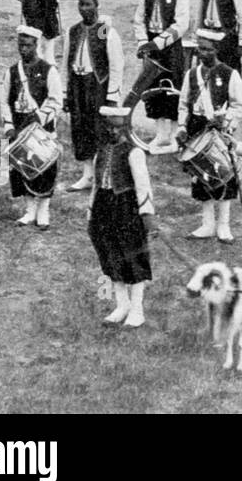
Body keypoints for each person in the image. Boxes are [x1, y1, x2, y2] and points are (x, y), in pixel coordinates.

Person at [177, 29, 242, 242]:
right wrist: (182, 127)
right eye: (200, 48)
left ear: (217, 50)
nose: (203, 53)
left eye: (208, 49)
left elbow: (239, 106)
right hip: (196, 129)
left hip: (219, 131)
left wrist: (226, 119)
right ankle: (207, 224)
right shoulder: (191, 75)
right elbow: (183, 104)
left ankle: (224, 225)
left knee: (224, 176)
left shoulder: (230, 74)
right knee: (201, 177)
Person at [90, 106, 156, 327]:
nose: (112, 132)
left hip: (127, 207)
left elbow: (143, 184)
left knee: (133, 256)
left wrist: (146, 213)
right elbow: (94, 185)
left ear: (125, 128)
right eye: (109, 126)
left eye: (117, 127)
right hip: (103, 205)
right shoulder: (100, 152)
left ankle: (137, 310)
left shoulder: (134, 152)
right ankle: (122, 304)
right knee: (110, 255)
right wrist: (91, 211)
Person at [1, 25, 64, 229]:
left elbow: (56, 100)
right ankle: (29, 211)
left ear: (36, 45)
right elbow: (4, 101)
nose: (23, 49)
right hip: (19, 128)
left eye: (28, 45)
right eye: (21, 45)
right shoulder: (12, 71)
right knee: (21, 169)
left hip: (41, 129)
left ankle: (43, 211)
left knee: (44, 170)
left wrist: (38, 117)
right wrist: (9, 125)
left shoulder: (48, 70)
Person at [63, 0, 123, 192]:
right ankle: (87, 175)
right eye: (81, 4)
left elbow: (116, 63)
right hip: (77, 84)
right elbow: (65, 62)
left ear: (97, 5)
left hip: (97, 84)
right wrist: (65, 92)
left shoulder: (103, 29)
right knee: (80, 127)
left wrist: (112, 94)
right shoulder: (74, 30)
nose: (84, 8)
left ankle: (101, 175)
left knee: (99, 128)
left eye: (88, 4)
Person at [132, 0, 189, 152]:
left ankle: (174, 136)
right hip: (151, 50)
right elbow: (138, 19)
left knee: (172, 90)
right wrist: (143, 43)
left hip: (170, 49)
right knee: (153, 90)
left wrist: (157, 43)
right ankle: (160, 134)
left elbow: (181, 24)